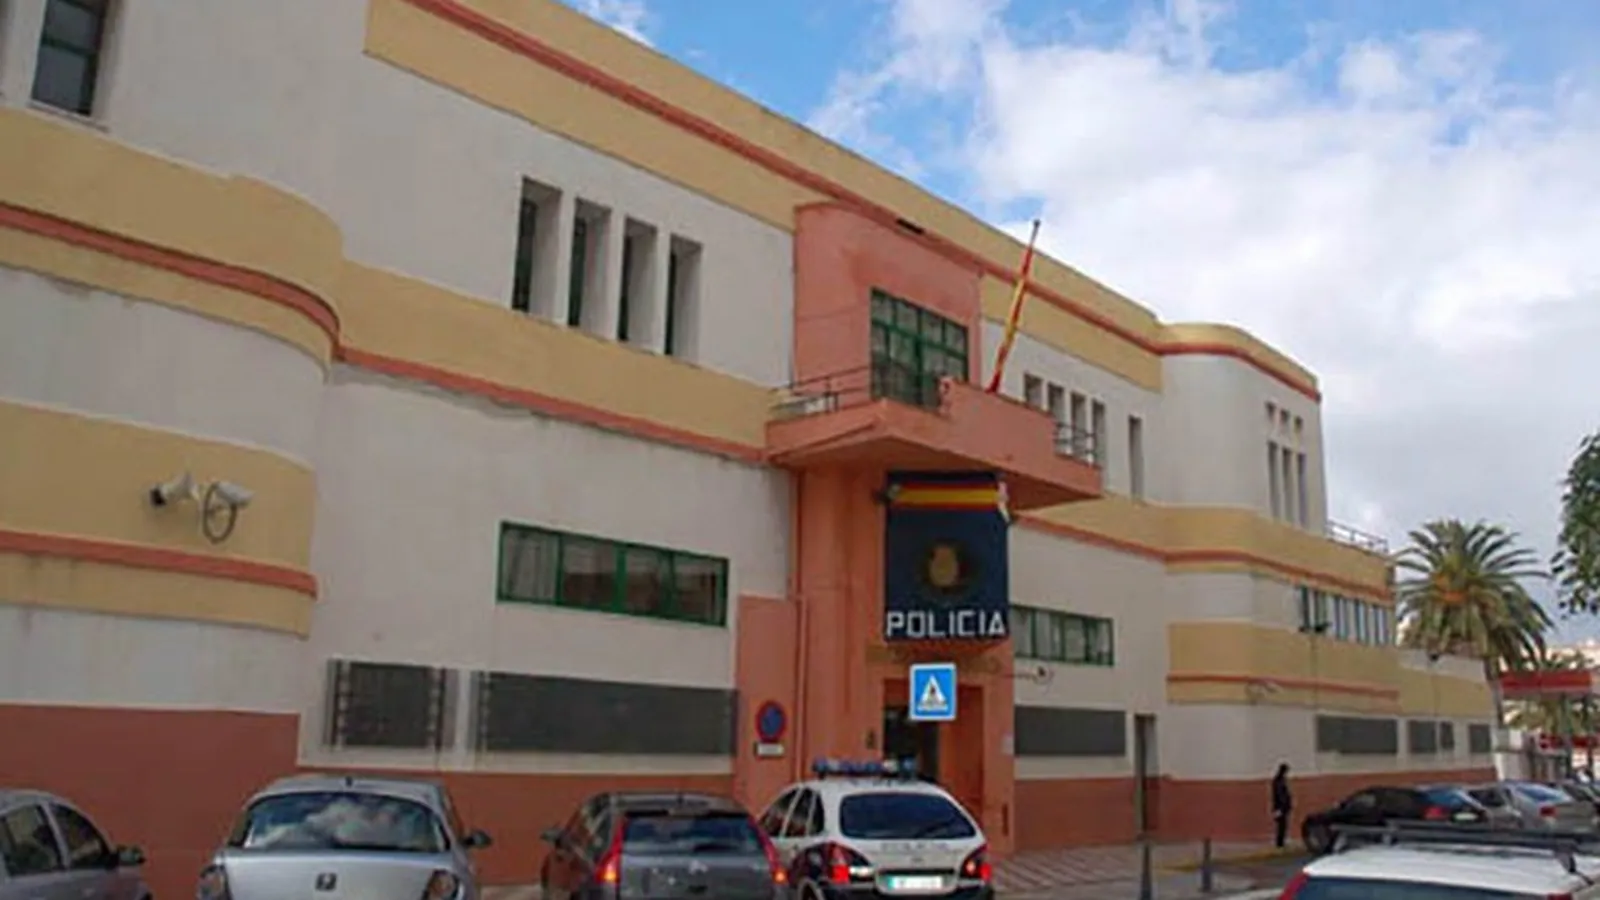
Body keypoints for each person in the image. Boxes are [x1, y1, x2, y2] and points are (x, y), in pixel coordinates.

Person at [1270, 762, 1293, 849]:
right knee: (1281, 824)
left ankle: (1281, 841)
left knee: (1283, 824)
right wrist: (1283, 805)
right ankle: (1280, 842)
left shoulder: (1280, 780)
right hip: (1281, 807)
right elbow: (1280, 795)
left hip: (1282, 807)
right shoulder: (1279, 781)